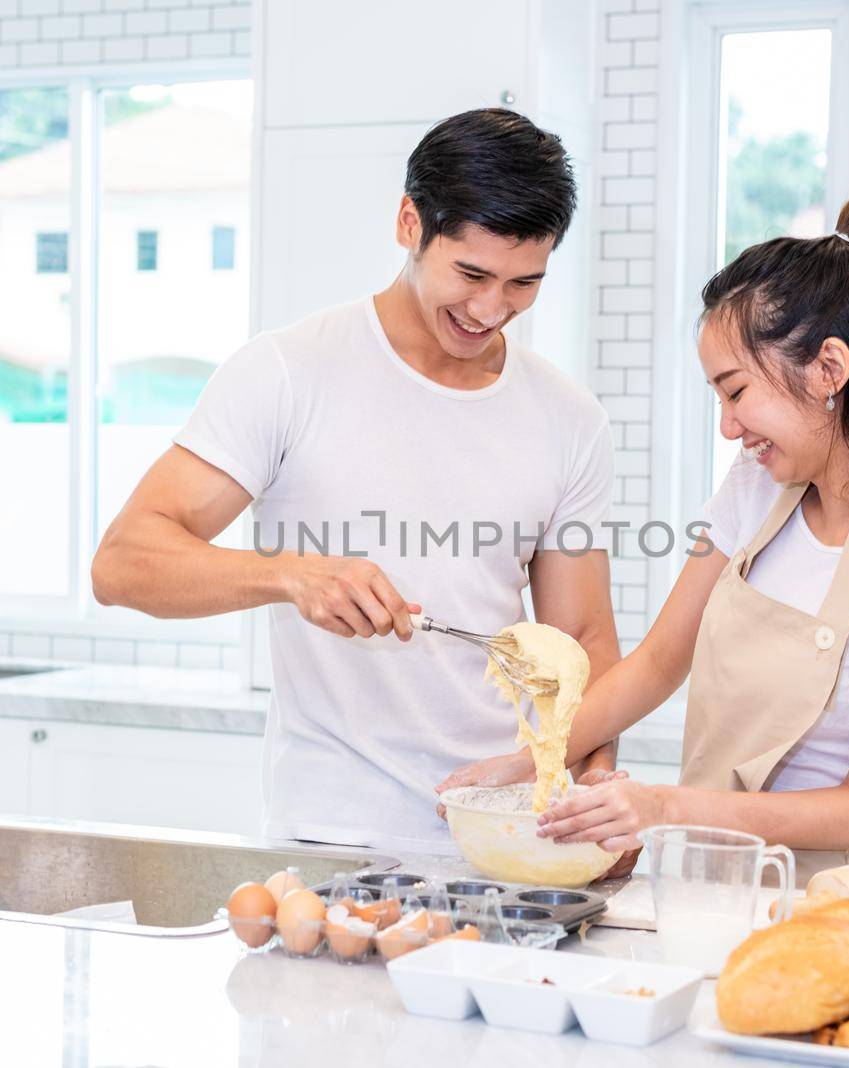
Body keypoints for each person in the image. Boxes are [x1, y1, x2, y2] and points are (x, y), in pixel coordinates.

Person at [92, 109, 622, 854]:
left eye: (522, 283)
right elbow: (123, 564)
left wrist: (596, 786)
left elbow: (584, 638)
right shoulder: (288, 371)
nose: (490, 310)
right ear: (410, 222)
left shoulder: (569, 418)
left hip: (504, 832)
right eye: (470, 274)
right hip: (332, 836)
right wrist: (291, 576)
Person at [438, 194, 849, 883]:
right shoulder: (754, 488)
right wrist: (522, 770)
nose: (729, 428)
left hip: (815, 901)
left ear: (830, 369)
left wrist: (661, 808)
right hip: (699, 887)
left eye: (736, 393)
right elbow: (655, 664)